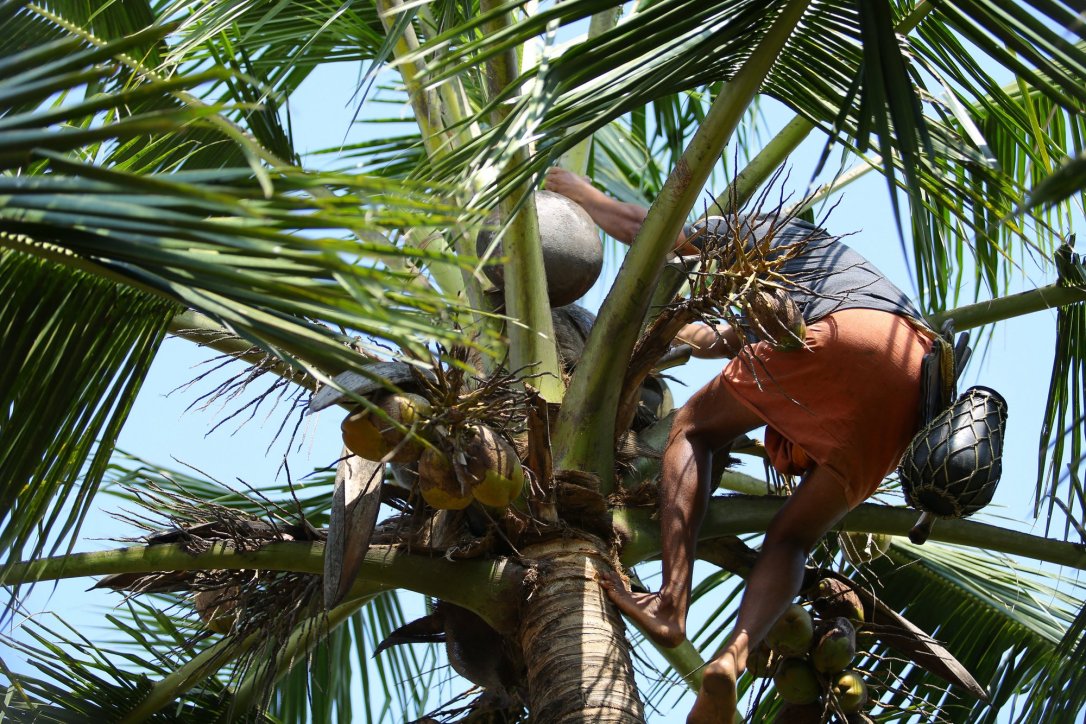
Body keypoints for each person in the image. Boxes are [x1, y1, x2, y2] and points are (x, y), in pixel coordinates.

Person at [544, 167, 932, 722]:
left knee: (694, 430)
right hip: (912, 380)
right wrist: (665, 329)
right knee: (792, 538)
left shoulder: (750, 230)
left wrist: (576, 191)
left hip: (842, 334)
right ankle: (731, 658)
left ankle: (671, 599)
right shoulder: (824, 267)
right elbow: (720, 342)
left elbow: (646, 229)